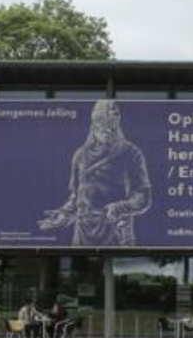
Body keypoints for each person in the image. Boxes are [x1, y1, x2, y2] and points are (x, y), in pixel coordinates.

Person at [38, 100, 152, 246]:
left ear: (117, 123)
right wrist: (64, 214)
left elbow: (143, 198)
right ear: (94, 124)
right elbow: (76, 198)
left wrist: (118, 208)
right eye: (102, 122)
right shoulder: (80, 155)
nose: (108, 128)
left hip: (114, 230)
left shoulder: (131, 153)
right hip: (82, 232)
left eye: (112, 122)